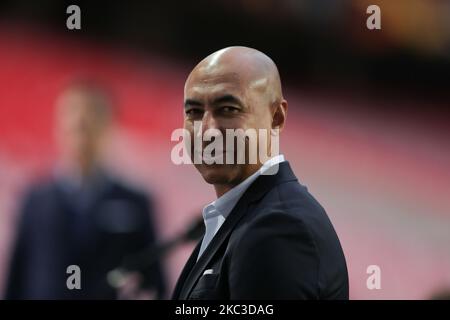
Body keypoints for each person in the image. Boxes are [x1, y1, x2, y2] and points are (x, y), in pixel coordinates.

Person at [172, 47, 348, 300]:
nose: (206, 131)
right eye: (194, 112)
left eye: (228, 109)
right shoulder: (248, 218)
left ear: (276, 117)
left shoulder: (278, 229)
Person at [5, 80, 166, 299]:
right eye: (72, 115)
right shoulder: (36, 199)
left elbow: (154, 281)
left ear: (109, 126)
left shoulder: (135, 203)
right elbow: (17, 276)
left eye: (92, 116)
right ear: (58, 124)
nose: (81, 124)